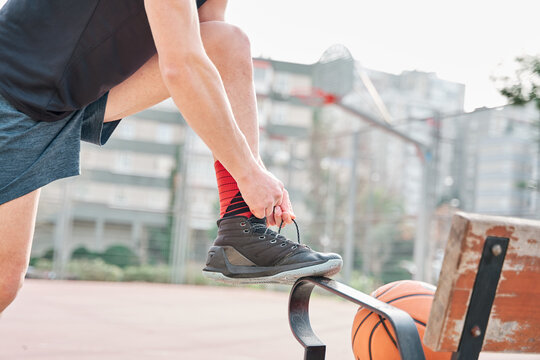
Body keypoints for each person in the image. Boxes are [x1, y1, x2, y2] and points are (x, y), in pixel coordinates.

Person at [0, 0, 342, 313]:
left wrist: (251, 177)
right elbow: (183, 66)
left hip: (63, 98)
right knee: (4, 280)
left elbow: (212, 53)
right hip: (13, 89)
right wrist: (250, 173)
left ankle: (242, 229)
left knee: (228, 42)